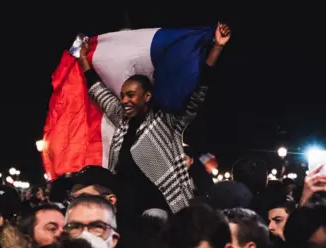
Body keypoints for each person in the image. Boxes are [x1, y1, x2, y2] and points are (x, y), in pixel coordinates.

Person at [77, 23, 231, 214]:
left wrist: (217, 47)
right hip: (128, 213)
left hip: (164, 211)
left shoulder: (167, 121)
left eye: (131, 95)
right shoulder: (122, 119)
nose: (124, 100)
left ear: (147, 96)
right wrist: (83, 58)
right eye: (123, 95)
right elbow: (98, 92)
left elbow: (198, 90)